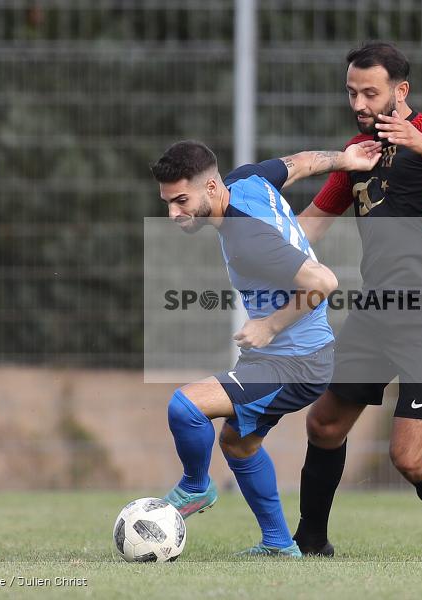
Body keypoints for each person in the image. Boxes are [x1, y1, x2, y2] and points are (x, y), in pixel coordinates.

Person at [292, 42, 422, 558]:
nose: (359, 104)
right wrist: (252, 241)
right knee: (324, 423)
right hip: (377, 311)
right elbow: (310, 223)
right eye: (351, 93)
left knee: (407, 456)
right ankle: (310, 541)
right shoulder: (357, 154)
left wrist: (420, 142)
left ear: (400, 91)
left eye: (370, 93)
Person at [150, 139, 382, 557]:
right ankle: (278, 543)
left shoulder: (247, 236)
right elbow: (298, 164)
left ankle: (194, 488)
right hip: (290, 358)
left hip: (295, 363)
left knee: (185, 407)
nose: (173, 213)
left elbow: (324, 283)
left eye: (181, 200)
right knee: (239, 443)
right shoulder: (247, 179)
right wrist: (343, 160)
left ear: (212, 188)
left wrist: (269, 326)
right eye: (168, 202)